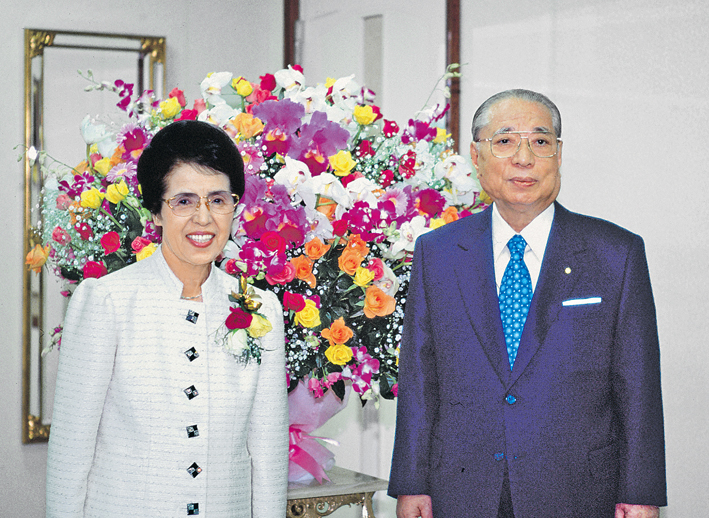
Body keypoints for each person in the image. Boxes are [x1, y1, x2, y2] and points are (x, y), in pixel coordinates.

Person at [388, 90, 666, 518]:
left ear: (558, 154)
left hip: (576, 489)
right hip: (461, 489)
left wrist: (640, 492)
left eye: (540, 141)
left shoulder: (616, 253)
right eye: (504, 140)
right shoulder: (438, 253)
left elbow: (638, 384)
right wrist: (411, 483)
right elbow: (420, 378)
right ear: (476, 156)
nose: (524, 157)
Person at [46, 120, 288, 517]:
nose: (204, 218)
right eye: (184, 201)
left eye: (218, 199)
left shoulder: (261, 308)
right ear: (156, 212)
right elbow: (70, 453)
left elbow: (269, 454)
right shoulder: (107, 301)